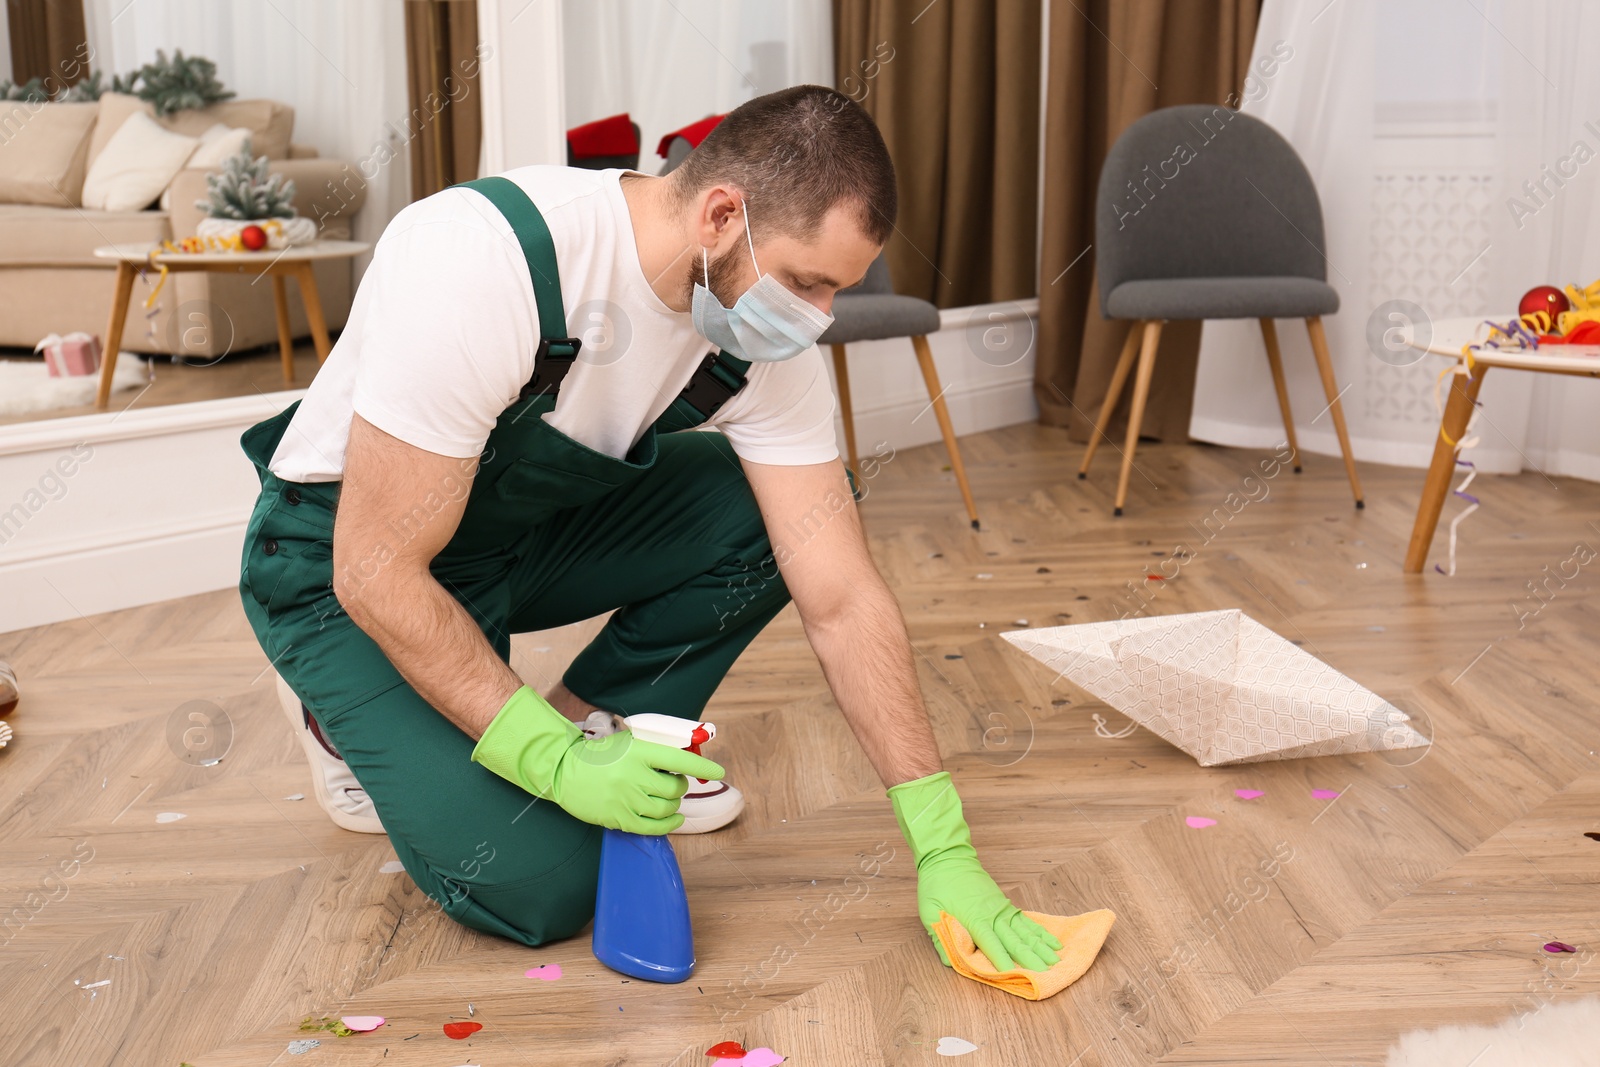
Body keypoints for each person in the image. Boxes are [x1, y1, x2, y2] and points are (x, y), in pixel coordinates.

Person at [237, 85, 1061, 974]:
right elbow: (376, 569)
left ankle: (609, 741)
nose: (819, 316)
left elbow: (843, 595)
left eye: (837, 291)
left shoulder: (753, 342)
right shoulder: (487, 259)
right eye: (809, 281)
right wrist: (545, 764)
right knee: (546, 887)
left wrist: (940, 841)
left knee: (786, 514)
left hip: (508, 539)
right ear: (721, 214)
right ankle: (340, 714)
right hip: (343, 571)